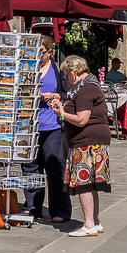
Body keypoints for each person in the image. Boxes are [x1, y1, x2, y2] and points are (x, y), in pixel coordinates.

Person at [49, 55, 111, 237]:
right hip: (93, 140)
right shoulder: (88, 86)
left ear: (74, 73)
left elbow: (82, 119)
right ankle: (96, 222)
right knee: (91, 183)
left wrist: (62, 113)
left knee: (84, 182)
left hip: (86, 142)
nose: (66, 80)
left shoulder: (85, 90)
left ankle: (89, 224)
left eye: (67, 75)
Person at [28, 43, 71, 223]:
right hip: (30, 126)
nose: (38, 55)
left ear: (50, 53)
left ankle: (60, 209)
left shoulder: (57, 69)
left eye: (42, 52)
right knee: (31, 169)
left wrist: (54, 96)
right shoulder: (28, 66)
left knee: (55, 167)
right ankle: (33, 207)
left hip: (52, 125)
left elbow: (68, 92)